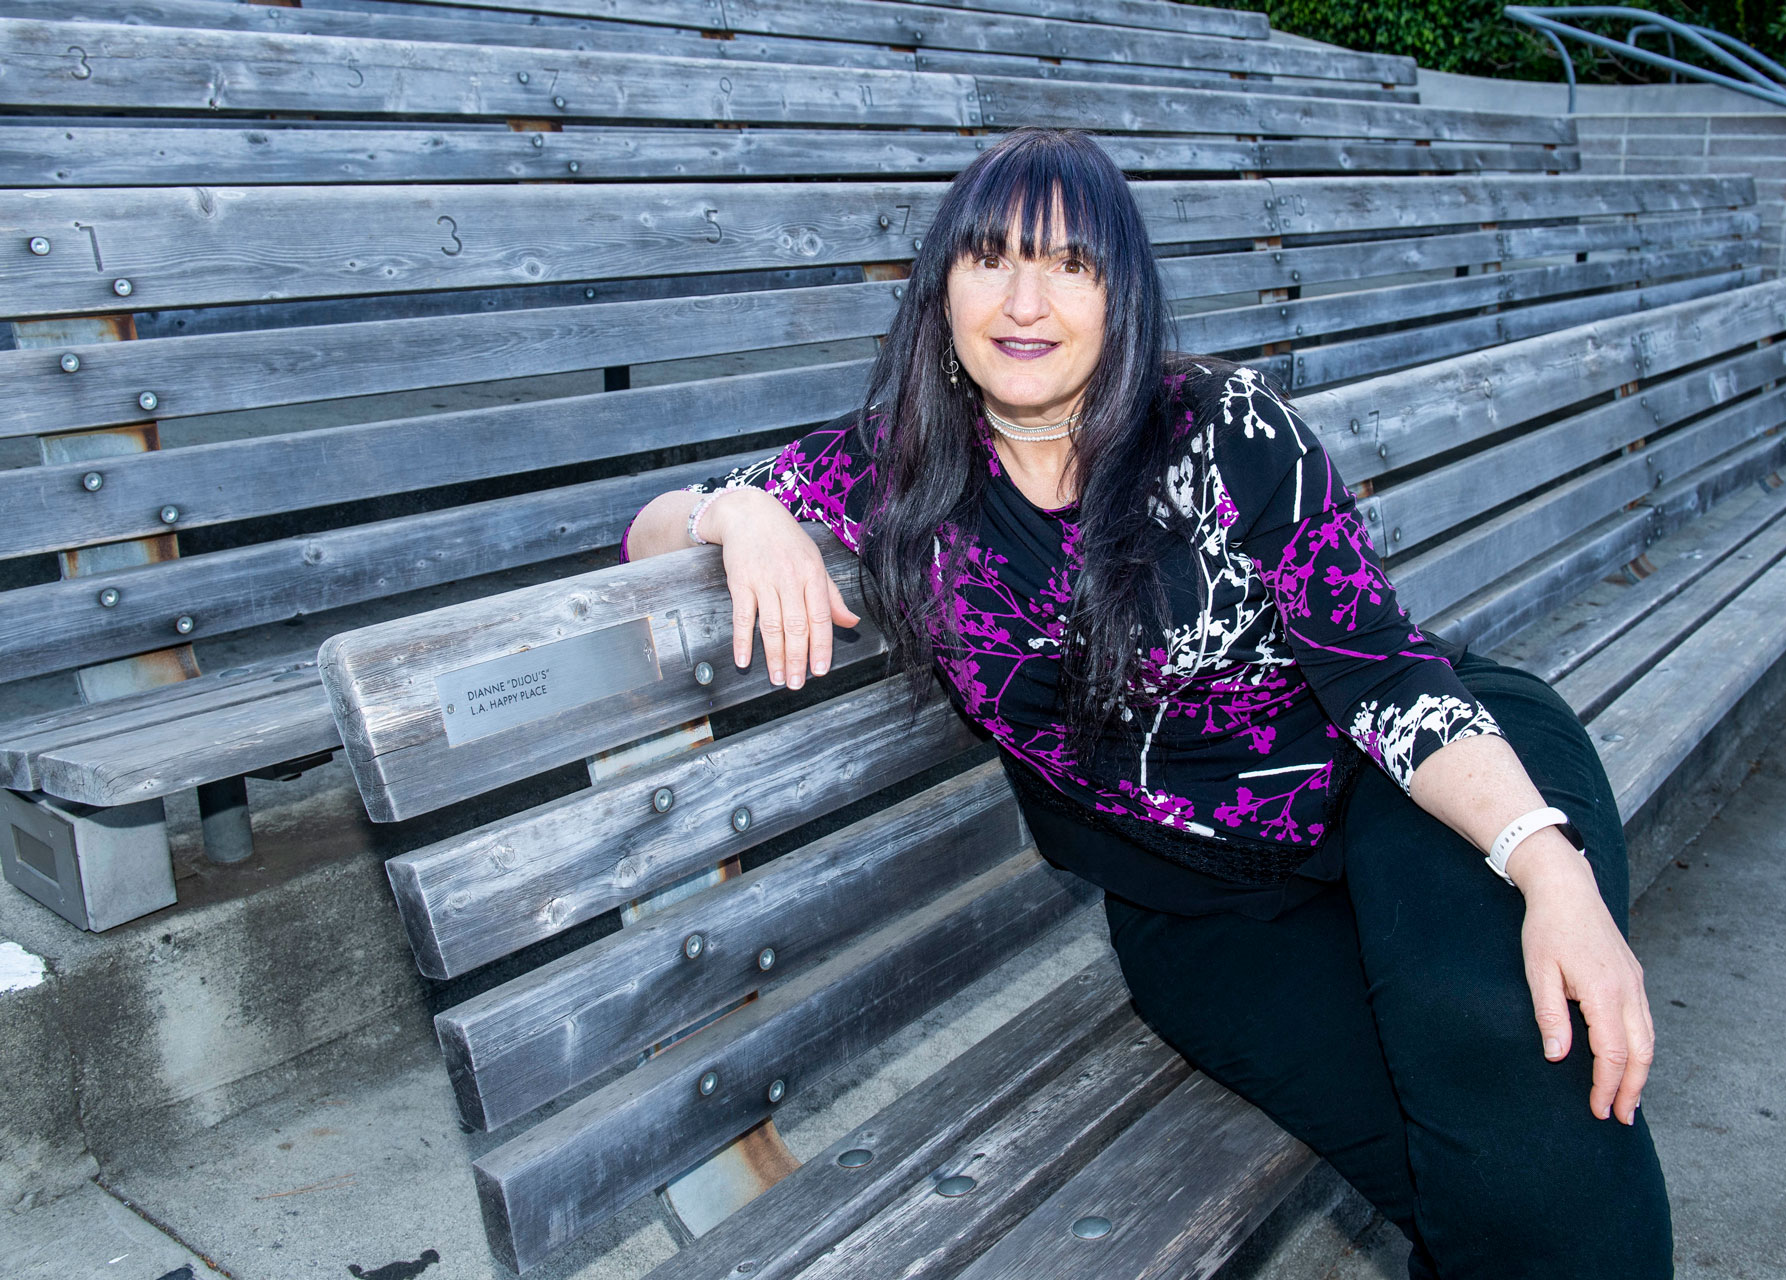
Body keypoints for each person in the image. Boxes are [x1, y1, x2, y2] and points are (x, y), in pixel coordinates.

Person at [621, 128, 1673, 1278]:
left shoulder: (1229, 431)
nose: (1026, 300)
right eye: (991, 259)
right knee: (1449, 1171)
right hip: (1201, 905)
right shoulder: (897, 466)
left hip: (1412, 785)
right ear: (941, 290)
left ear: (1123, 293)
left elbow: (1385, 676)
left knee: (1513, 1062)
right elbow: (650, 533)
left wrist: (1547, 860)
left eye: (1072, 265)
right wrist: (738, 510)